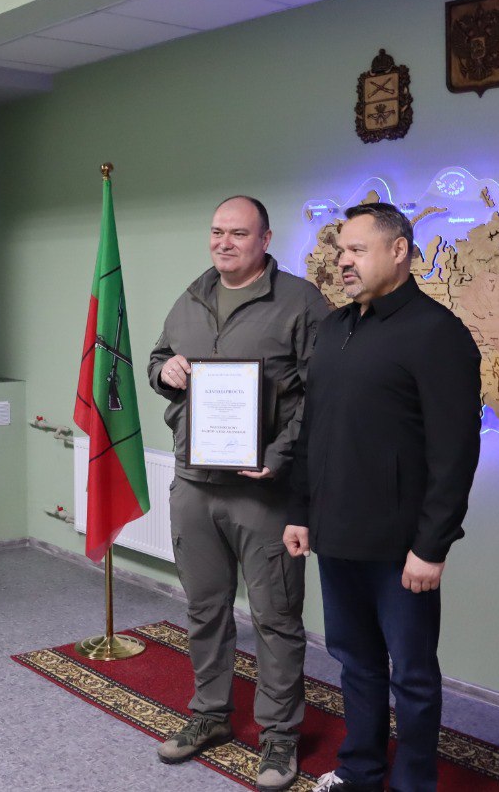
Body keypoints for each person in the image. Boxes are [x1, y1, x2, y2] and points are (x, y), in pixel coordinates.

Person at [286, 203, 482, 792]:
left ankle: (414, 784)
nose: (344, 261)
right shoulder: (334, 329)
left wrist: (432, 546)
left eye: (357, 250)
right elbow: (312, 431)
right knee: (355, 663)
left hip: (402, 550)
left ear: (399, 251)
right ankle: (361, 771)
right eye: (341, 251)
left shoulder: (437, 334)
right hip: (336, 536)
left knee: (413, 677)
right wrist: (300, 512)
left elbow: (454, 454)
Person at [148, 196, 329, 791]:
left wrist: (281, 456)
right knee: (205, 609)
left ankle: (280, 735)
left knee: (276, 618)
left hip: (263, 492)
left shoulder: (300, 302)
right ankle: (210, 714)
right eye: (217, 232)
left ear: (266, 239)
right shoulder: (192, 296)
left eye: (239, 233)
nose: (224, 243)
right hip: (194, 484)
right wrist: (163, 372)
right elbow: (158, 358)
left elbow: (325, 395)